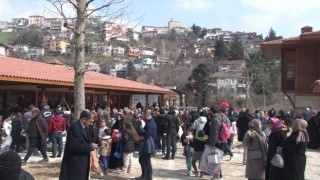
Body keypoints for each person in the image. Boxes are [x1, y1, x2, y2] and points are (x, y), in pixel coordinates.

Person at [59, 110, 98, 180]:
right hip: (74, 163)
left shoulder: (86, 127)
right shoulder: (75, 128)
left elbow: (88, 139)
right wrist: (89, 147)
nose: (91, 124)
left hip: (82, 162)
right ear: (84, 119)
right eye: (90, 121)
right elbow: (73, 146)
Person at [135, 110, 156, 180]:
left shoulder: (151, 123)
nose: (143, 116)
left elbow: (147, 134)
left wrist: (140, 129)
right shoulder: (149, 122)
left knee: (146, 160)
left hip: (148, 144)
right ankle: (145, 175)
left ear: (147, 115)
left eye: (144, 115)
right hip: (146, 143)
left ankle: (147, 176)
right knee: (143, 160)